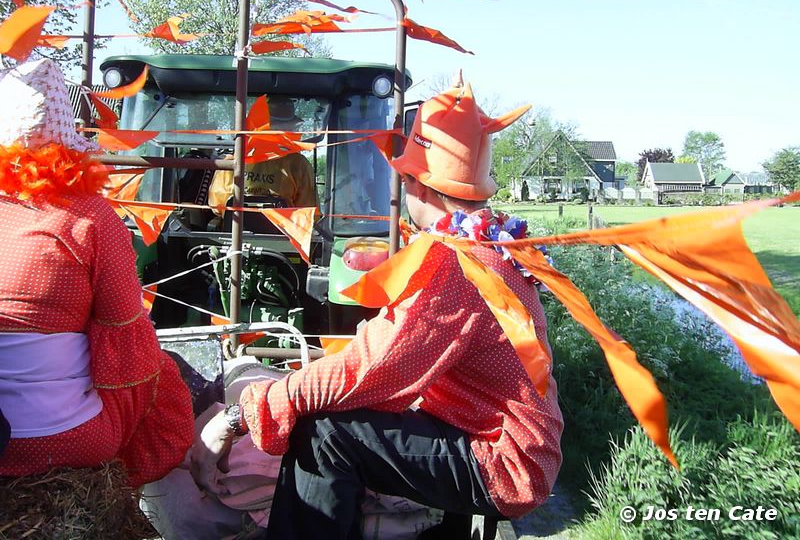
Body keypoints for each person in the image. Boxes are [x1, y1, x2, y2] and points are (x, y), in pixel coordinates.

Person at [191, 79, 563, 538]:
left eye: (404, 178)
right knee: (334, 411)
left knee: (324, 435)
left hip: (502, 460)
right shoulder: (479, 245)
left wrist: (240, 415)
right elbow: (388, 350)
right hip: (487, 432)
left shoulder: (457, 265)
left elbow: (370, 368)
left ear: (418, 184)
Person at [0, 59, 195, 487]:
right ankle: (137, 484)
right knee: (159, 373)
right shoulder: (89, 216)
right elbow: (125, 330)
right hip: (57, 439)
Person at [207, 96, 318, 212]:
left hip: (234, 228)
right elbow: (309, 212)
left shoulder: (231, 161)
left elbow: (217, 205)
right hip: (281, 229)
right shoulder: (298, 164)